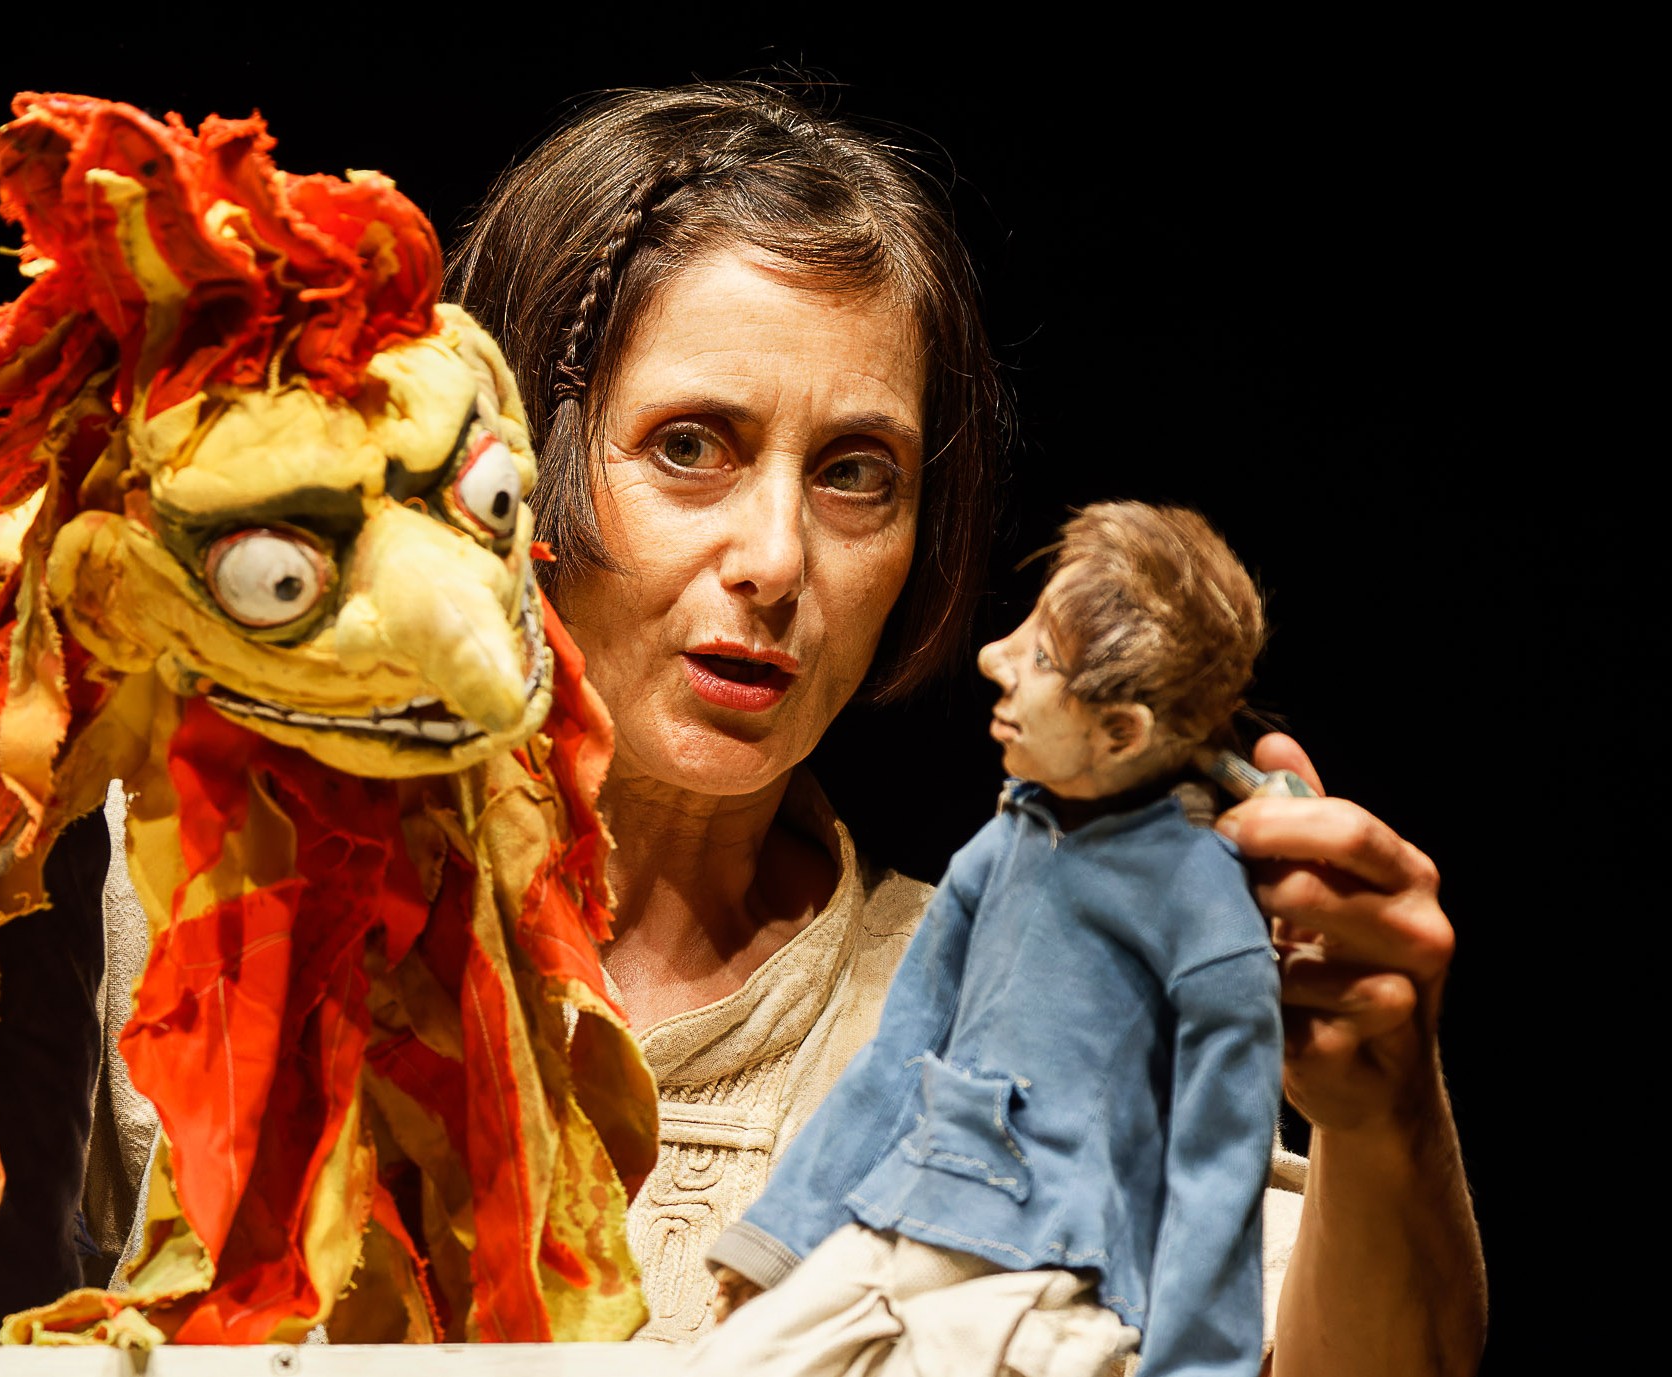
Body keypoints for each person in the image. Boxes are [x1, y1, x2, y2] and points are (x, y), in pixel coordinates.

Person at [446, 82, 1486, 1372]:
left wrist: (1379, 1115)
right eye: (690, 447)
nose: (776, 559)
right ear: (499, 466)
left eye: (853, 474)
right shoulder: (248, 930)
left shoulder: (1025, 987)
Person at [697, 502, 1285, 1377]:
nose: (993, 658)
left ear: (1121, 732)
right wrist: (782, 1237)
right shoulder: (1007, 843)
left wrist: (1196, 1364)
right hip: (896, 1225)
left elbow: (1219, 1165)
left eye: (1040, 657)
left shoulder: (1206, 910)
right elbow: (899, 1054)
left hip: (1048, 1281)